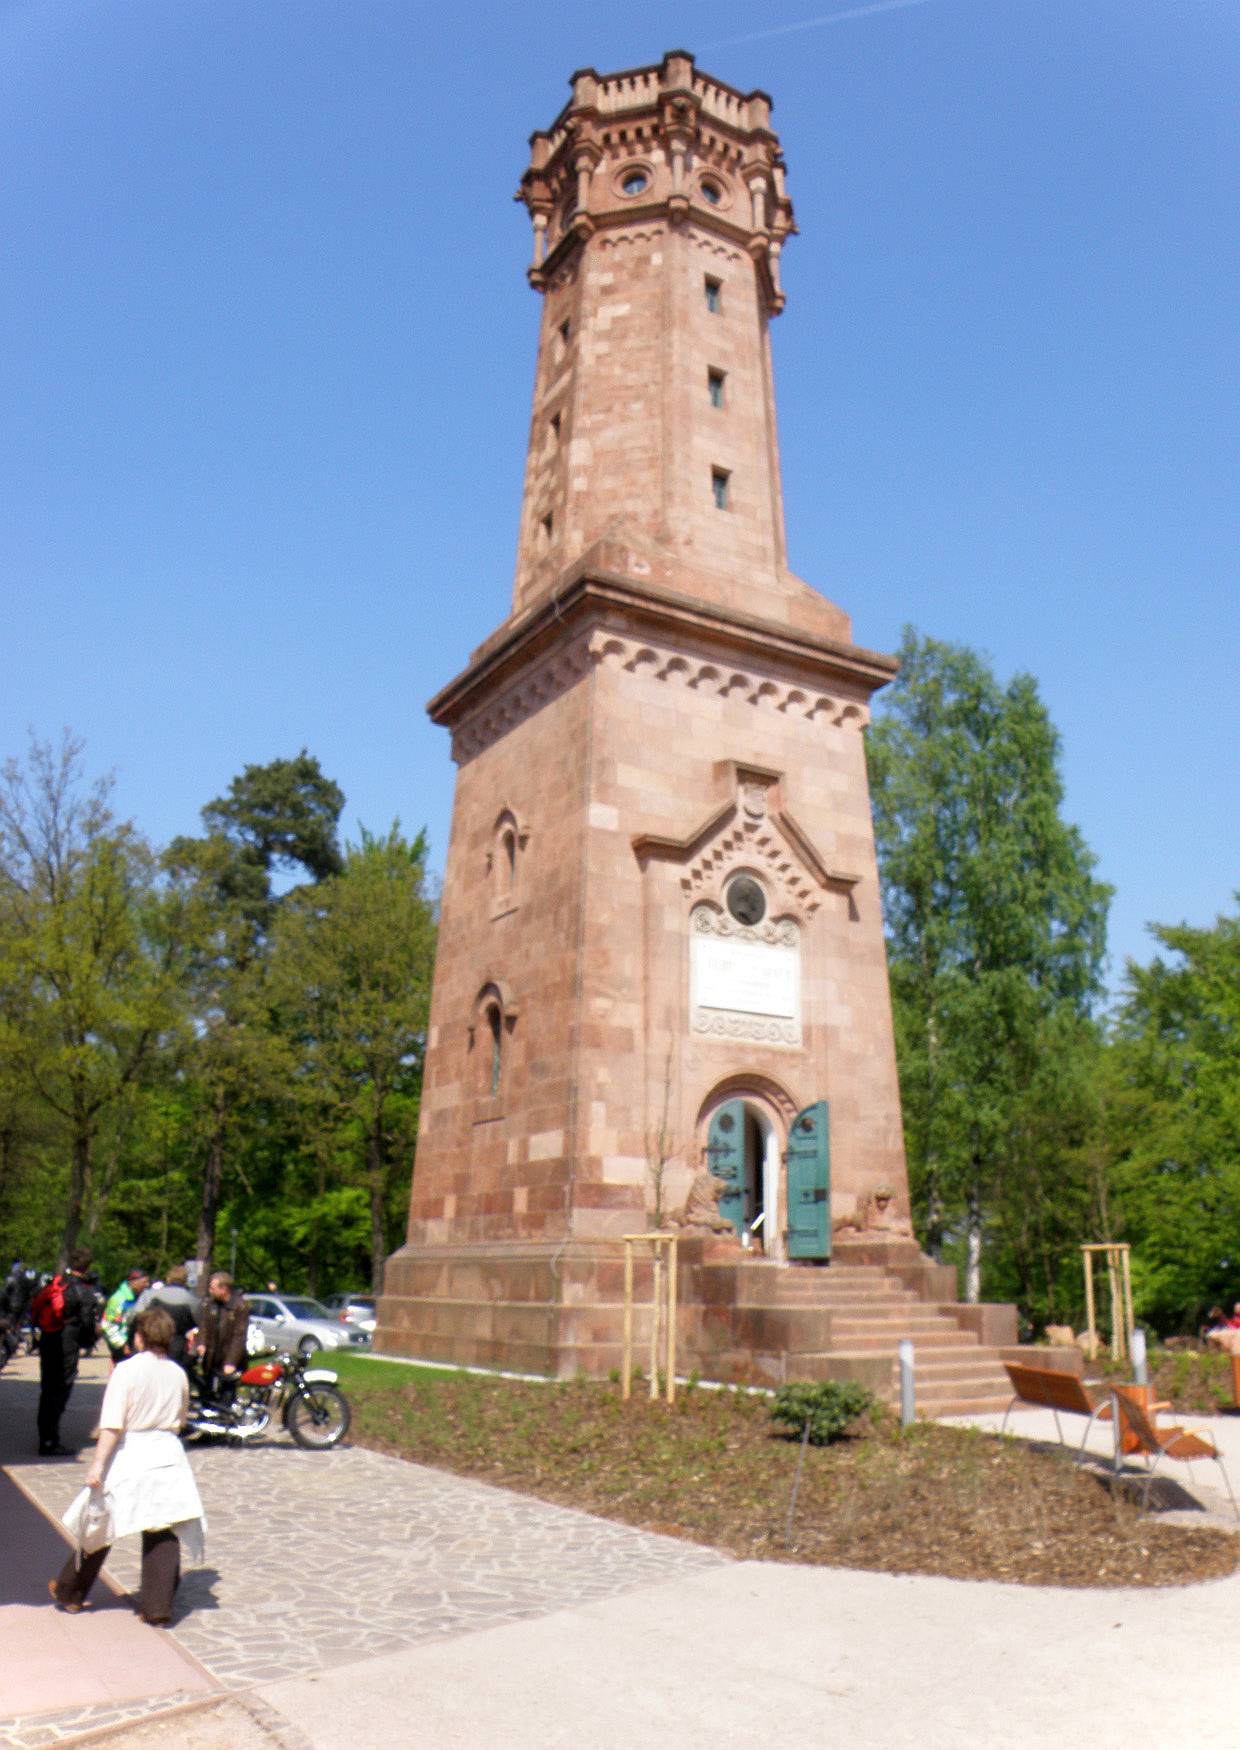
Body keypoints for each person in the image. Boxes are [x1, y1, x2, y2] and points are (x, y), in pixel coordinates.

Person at [50, 1307, 206, 1625]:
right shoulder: (177, 1373)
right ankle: (158, 1607)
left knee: (101, 1522)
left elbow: (112, 1423)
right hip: (167, 1451)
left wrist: (97, 1465)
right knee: (162, 1526)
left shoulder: (126, 1370)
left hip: (134, 1449)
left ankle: (71, 1592)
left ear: (140, 1336)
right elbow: (181, 1417)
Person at [32, 1247, 98, 1457]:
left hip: (49, 1338)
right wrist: (88, 1343)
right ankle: (51, 1440)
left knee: (48, 1388)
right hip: (68, 1342)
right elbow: (87, 1323)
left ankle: (45, 1436)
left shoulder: (57, 1283)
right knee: (61, 1388)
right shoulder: (84, 1291)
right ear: (87, 1266)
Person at [193, 1271, 248, 1401]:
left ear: (224, 1289)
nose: (210, 1291)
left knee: (227, 1394)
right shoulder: (210, 1304)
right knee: (206, 1391)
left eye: (213, 1288)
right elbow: (204, 1325)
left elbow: (239, 1336)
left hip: (228, 1355)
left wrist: (231, 1362)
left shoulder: (240, 1306)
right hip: (211, 1355)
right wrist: (201, 1343)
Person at [140, 1265, 198, 1368]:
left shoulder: (150, 1295)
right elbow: (200, 1324)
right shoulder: (192, 1300)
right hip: (178, 1345)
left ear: (168, 1278)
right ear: (185, 1280)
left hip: (151, 1343)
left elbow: (134, 1316)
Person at [101, 1269, 150, 1368]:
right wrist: (122, 1345)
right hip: (123, 1347)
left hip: (138, 1345)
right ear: (133, 1282)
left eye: (148, 1282)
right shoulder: (118, 1299)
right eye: (144, 1282)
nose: (147, 1285)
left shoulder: (142, 1297)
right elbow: (108, 1324)